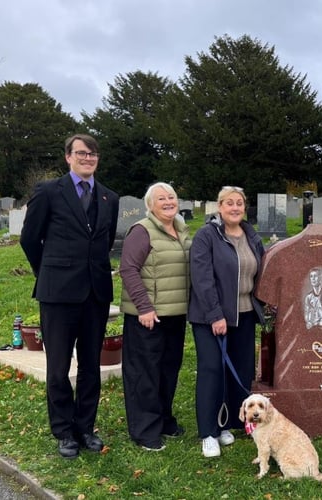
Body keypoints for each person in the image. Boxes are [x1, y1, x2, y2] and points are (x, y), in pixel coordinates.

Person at [20, 133, 119, 459]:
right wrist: (48, 272)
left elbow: (102, 244)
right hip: (58, 294)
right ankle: (63, 431)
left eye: (92, 154)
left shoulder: (109, 197)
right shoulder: (49, 191)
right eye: (81, 153)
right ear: (68, 157)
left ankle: (85, 427)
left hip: (95, 293)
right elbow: (30, 239)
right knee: (59, 366)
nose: (87, 158)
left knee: (91, 365)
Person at [188, 186, 265, 458]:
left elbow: (260, 274)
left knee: (240, 371)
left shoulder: (251, 236)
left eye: (239, 203)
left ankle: (229, 422)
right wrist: (215, 315)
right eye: (229, 203)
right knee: (212, 371)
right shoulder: (207, 236)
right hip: (212, 317)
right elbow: (202, 277)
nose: (235, 207)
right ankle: (208, 432)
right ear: (219, 207)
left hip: (244, 314)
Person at [119, 182, 191, 451]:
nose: (168, 201)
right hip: (148, 316)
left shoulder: (181, 230)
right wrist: (144, 308)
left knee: (167, 370)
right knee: (145, 374)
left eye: (171, 196)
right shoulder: (142, 231)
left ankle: (163, 419)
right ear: (150, 205)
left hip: (175, 313)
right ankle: (144, 430)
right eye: (161, 198)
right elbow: (128, 270)